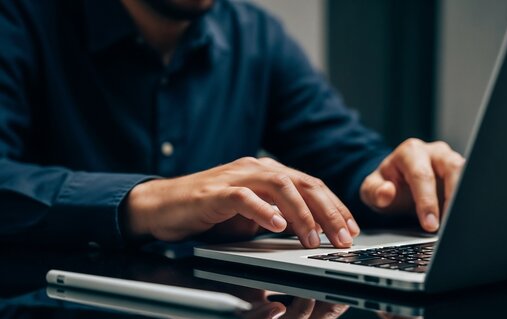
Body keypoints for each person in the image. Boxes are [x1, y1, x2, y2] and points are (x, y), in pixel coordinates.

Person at [0, 0, 465, 250]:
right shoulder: (20, 19)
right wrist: (149, 201)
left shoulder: (257, 35)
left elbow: (340, 152)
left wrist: (387, 184)